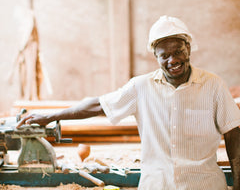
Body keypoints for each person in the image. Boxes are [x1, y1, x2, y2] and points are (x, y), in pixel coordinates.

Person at [17, 15, 240, 190]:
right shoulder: (141, 87)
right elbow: (97, 105)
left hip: (205, 185)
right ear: (156, 56)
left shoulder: (213, 85)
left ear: (188, 48)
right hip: (157, 186)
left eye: (178, 52)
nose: (173, 60)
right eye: (165, 55)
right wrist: (50, 115)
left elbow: (234, 135)